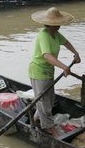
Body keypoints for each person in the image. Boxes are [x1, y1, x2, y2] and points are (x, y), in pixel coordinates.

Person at [29, 7, 81, 137]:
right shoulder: (44, 35)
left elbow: (66, 43)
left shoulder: (55, 34)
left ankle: (36, 119)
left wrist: (75, 53)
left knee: (49, 100)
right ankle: (48, 128)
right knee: (44, 103)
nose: (59, 26)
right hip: (39, 71)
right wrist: (64, 67)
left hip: (48, 71)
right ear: (53, 24)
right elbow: (47, 56)